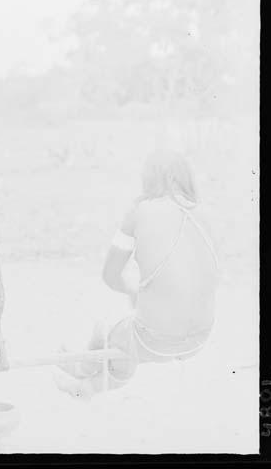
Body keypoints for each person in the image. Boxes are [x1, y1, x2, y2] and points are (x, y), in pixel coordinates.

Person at [56, 150, 220, 398]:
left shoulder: (140, 211)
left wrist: (132, 290)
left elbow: (110, 275)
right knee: (123, 334)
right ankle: (83, 380)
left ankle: (82, 372)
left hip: (155, 340)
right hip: (200, 337)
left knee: (113, 333)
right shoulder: (207, 215)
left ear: (151, 179)